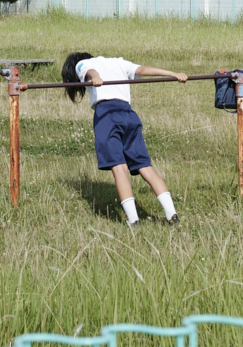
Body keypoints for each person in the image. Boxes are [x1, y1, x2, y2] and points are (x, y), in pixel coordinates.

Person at [61, 52, 183, 226]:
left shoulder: (82, 64)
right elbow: (142, 69)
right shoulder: (118, 62)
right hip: (128, 114)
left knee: (119, 168)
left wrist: (96, 78)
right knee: (145, 167)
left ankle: (133, 220)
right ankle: (172, 214)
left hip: (107, 115)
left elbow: (90, 71)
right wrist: (172, 73)